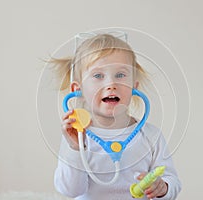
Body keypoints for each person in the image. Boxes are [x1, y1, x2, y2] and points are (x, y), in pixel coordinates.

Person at [52, 32, 181, 199]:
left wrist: (163, 187)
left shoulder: (151, 136)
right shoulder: (76, 136)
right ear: (78, 89)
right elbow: (70, 190)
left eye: (120, 75)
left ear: (134, 87)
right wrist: (76, 150)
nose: (111, 84)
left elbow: (173, 180)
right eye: (98, 76)